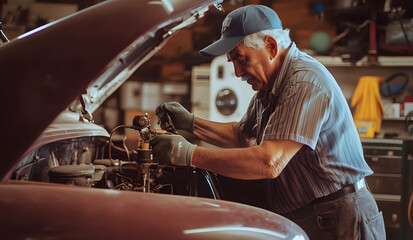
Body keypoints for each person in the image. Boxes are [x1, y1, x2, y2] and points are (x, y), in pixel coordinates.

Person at [150, 4, 385, 239]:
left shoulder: (304, 83)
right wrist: (190, 123)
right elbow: (242, 136)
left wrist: (189, 154)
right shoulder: (270, 87)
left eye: (241, 59)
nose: (238, 72)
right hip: (310, 216)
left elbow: (269, 161)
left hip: (341, 218)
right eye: (233, 62)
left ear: (271, 47)